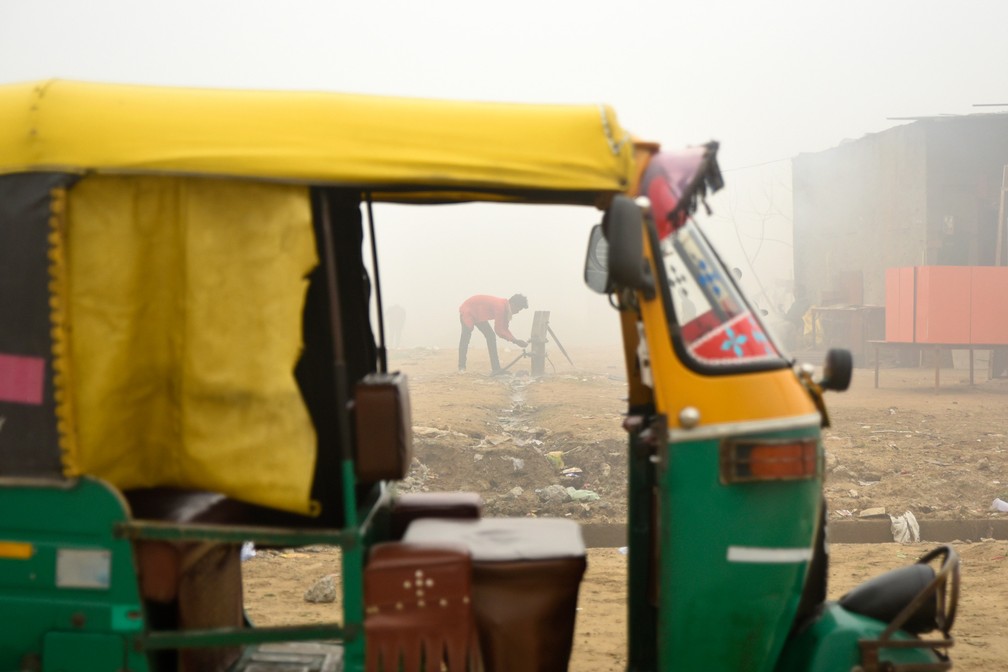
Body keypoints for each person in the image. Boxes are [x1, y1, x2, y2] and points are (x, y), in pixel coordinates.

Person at [458, 293, 528, 373]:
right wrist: (515, 341)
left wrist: (515, 340)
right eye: (518, 309)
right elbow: (499, 330)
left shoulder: (505, 307)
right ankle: (461, 368)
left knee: (490, 336)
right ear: (513, 304)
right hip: (468, 310)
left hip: (478, 313)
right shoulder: (500, 307)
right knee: (465, 338)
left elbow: (504, 328)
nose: (517, 312)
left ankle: (496, 368)